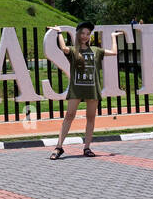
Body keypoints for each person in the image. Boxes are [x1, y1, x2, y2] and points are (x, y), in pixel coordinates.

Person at [48, 23, 118, 159]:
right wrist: (59, 33)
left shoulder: (96, 50)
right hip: (77, 88)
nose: (85, 36)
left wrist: (113, 37)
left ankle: (87, 147)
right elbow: (63, 48)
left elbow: (114, 52)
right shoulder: (74, 50)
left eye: (87, 33)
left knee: (90, 118)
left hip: (92, 89)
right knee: (69, 115)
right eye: (82, 33)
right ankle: (59, 147)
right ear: (78, 34)